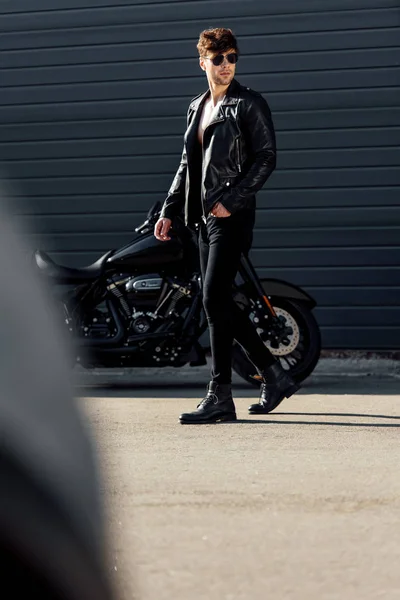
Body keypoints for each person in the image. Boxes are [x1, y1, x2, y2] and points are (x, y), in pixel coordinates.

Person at [154, 28, 299, 424]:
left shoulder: (248, 104)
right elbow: (189, 164)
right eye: (217, 59)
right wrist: (168, 209)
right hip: (201, 218)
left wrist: (231, 202)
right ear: (202, 62)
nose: (226, 66)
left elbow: (266, 158)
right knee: (216, 303)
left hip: (231, 217)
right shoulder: (197, 107)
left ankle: (224, 393)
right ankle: (269, 376)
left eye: (232, 57)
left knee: (213, 297)